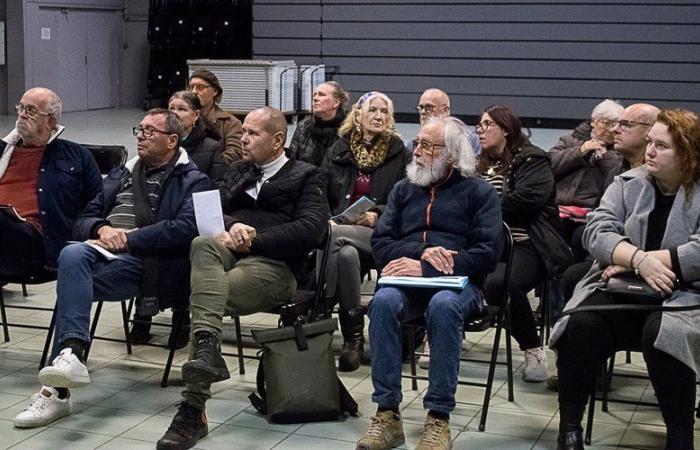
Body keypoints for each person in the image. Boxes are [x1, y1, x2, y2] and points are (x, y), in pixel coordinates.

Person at [12, 109, 210, 429]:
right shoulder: (121, 175)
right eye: (139, 131)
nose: (140, 137)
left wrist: (130, 240)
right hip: (100, 255)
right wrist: (102, 229)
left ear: (172, 140)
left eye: (149, 132)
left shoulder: (195, 180)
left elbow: (188, 228)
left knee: (71, 269)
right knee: (74, 259)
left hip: (147, 265)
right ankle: (68, 361)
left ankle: (58, 386)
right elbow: (83, 218)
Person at [157, 107, 328, 450]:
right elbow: (210, 211)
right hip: (226, 254)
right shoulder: (238, 171)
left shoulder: (308, 176)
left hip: (275, 267)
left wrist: (255, 238)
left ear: (278, 140)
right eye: (244, 131)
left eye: (253, 133)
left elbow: (311, 229)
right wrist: (234, 225)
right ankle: (207, 353)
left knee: (204, 296)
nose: (243, 138)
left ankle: (193, 408)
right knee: (202, 241)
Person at [550, 109, 700, 450]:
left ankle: (680, 436)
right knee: (580, 325)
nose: (649, 152)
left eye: (661, 146)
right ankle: (569, 428)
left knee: (665, 334)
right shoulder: (627, 183)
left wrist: (646, 262)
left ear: (687, 152)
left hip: (684, 294)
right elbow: (596, 231)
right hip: (621, 286)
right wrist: (637, 260)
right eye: (649, 143)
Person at [356, 116, 502, 450]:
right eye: (416, 143)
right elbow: (380, 244)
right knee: (383, 302)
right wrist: (422, 253)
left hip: (460, 287)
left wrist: (430, 270)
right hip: (405, 283)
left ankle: (438, 417)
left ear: (451, 154)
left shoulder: (479, 193)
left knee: (443, 305)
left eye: (426, 146)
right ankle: (387, 413)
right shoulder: (403, 189)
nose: (416, 151)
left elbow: (487, 254)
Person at [547, 103, 662, 392]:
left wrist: (631, 260)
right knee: (573, 272)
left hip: (658, 267)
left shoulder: (628, 168)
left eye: (624, 125)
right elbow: (602, 225)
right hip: (611, 257)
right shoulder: (617, 171)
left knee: (576, 264)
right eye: (614, 124)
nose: (615, 130)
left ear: (649, 133)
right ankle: (578, 361)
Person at [476, 105, 571, 383]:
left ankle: (532, 349)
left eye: (487, 125)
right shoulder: (476, 164)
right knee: (442, 268)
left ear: (505, 129)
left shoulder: (533, 160)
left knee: (501, 284)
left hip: (527, 243)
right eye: (478, 125)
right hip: (486, 242)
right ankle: (436, 338)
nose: (480, 130)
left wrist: (478, 208)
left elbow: (524, 202)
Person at [321, 91, 410, 372]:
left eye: (385, 111)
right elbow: (318, 192)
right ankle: (353, 338)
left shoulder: (400, 153)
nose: (379, 116)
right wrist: (329, 217)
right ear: (357, 115)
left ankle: (320, 310)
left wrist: (378, 214)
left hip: (382, 234)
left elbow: (407, 199)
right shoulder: (338, 149)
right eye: (373, 110)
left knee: (333, 236)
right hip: (341, 230)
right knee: (345, 254)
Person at [0, 87, 102, 277]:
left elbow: (98, 202)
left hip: (37, 241)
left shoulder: (76, 156)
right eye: (20, 107)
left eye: (30, 110)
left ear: (51, 121)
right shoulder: (2, 150)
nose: (22, 114)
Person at [550, 99, 624, 261]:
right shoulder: (569, 140)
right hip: (557, 209)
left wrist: (604, 155)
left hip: (589, 213)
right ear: (594, 122)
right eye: (607, 123)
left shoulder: (620, 149)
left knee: (581, 239)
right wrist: (581, 151)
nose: (613, 129)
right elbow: (549, 166)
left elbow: (619, 175)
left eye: (616, 124)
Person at [168, 90, 226, 184]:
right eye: (171, 109)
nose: (175, 114)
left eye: (182, 109)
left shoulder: (212, 148)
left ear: (196, 115)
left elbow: (216, 186)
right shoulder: (159, 142)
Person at [188, 69, 243, 165]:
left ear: (214, 91)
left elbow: (235, 155)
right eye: (191, 87)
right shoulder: (183, 119)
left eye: (200, 87)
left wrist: (204, 165)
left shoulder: (230, 123)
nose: (194, 92)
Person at [288, 81, 350, 166]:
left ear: (336, 103)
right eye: (315, 95)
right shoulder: (303, 126)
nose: (315, 98)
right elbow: (291, 161)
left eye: (321, 94)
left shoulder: (349, 128)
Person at [406, 88, 481, 155]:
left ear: (445, 110)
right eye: (421, 108)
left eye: (428, 107)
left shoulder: (470, 141)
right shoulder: (413, 146)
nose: (423, 112)